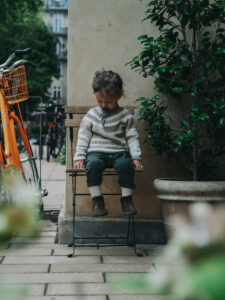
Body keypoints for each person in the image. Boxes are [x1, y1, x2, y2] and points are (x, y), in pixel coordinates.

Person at [74, 70, 143, 217]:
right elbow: (83, 137)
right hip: (96, 153)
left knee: (126, 165)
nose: (103, 105)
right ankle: (97, 201)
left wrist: (136, 157)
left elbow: (132, 137)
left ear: (117, 96)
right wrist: (79, 156)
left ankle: (126, 200)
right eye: (100, 101)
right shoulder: (92, 115)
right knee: (92, 165)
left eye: (108, 102)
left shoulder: (125, 116)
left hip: (119, 152)